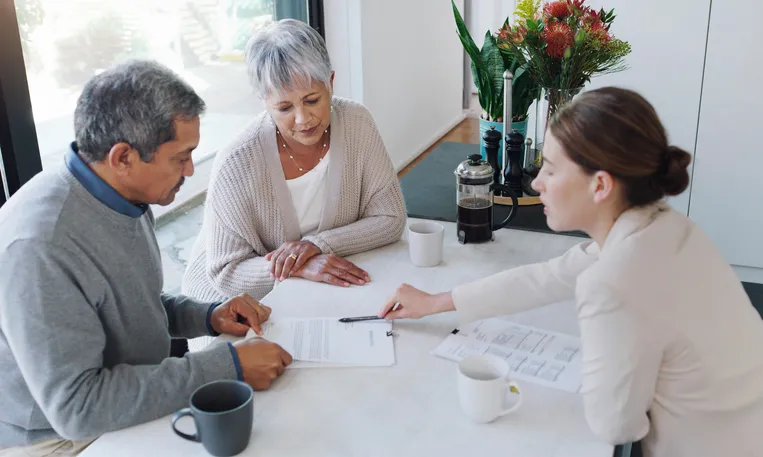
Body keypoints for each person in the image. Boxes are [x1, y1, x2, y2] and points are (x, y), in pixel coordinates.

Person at [377, 88, 763, 457]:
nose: (536, 183)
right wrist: (435, 303)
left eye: (551, 169)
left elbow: (616, 428)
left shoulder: (614, 281)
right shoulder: (666, 227)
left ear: (600, 185)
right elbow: (549, 276)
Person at [0, 60, 292, 457]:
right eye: (180, 157)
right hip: (60, 438)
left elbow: (127, 305)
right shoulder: (41, 245)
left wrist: (205, 316)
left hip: (121, 397)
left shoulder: (124, 195)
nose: (191, 169)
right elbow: (78, 407)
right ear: (123, 158)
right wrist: (228, 367)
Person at [181, 19, 406, 314]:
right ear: (264, 101)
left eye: (312, 100)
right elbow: (226, 274)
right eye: (284, 108)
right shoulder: (237, 160)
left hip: (319, 286)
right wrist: (298, 267)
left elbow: (390, 218)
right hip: (230, 306)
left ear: (331, 83)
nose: (303, 119)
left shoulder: (356, 123)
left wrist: (317, 244)